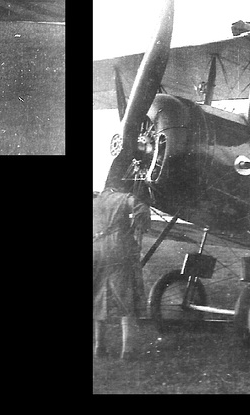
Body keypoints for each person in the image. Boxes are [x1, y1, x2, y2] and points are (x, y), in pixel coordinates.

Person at [94, 148, 150, 360]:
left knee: (98, 297)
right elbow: (141, 209)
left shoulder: (96, 200)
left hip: (95, 249)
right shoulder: (123, 197)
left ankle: (99, 347)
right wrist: (139, 226)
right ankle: (128, 351)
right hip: (117, 248)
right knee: (125, 298)